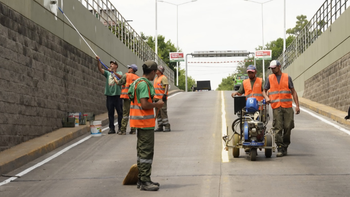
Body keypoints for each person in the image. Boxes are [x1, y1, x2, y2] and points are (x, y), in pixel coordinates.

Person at [128, 60, 164, 191]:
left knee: (142, 151)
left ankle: (141, 178)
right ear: (153, 72)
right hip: (144, 122)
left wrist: (154, 100)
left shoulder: (138, 82)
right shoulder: (144, 85)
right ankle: (145, 181)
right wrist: (157, 105)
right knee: (146, 153)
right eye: (155, 72)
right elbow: (144, 104)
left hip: (140, 122)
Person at [262, 60, 300, 157]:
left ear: (279, 67)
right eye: (271, 68)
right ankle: (279, 147)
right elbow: (264, 91)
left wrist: (297, 106)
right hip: (276, 107)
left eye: (274, 68)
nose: (272, 70)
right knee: (278, 128)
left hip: (287, 107)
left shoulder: (287, 77)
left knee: (288, 127)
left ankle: (285, 146)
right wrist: (266, 97)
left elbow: (293, 92)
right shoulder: (269, 78)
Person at [96, 56, 123, 134]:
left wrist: (113, 72)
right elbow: (100, 69)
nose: (111, 65)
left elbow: (120, 78)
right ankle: (111, 128)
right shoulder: (107, 73)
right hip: (109, 96)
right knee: (110, 113)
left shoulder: (119, 73)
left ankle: (120, 128)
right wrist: (98, 61)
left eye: (113, 64)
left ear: (116, 66)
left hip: (118, 96)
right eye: (110, 64)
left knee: (119, 112)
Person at [115, 64, 139, 135]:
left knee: (125, 114)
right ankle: (133, 130)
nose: (128, 68)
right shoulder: (137, 78)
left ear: (132, 69)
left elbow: (119, 83)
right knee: (133, 114)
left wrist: (115, 79)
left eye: (129, 68)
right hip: (134, 98)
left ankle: (123, 130)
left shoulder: (126, 75)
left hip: (126, 97)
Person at [153, 65, 171, 132]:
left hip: (161, 98)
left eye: (157, 70)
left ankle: (167, 126)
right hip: (156, 98)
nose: (156, 71)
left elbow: (166, 85)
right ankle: (160, 126)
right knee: (158, 113)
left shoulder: (163, 78)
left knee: (163, 111)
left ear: (160, 71)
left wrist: (164, 94)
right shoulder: (156, 78)